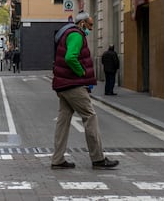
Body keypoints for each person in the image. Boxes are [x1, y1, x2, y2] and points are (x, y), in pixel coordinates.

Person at [51, 11, 119, 170]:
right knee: (90, 116)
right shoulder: (76, 35)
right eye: (90, 25)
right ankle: (98, 158)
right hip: (73, 84)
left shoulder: (67, 34)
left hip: (63, 84)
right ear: (82, 24)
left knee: (63, 120)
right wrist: (81, 73)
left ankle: (57, 159)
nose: (91, 28)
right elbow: (70, 57)